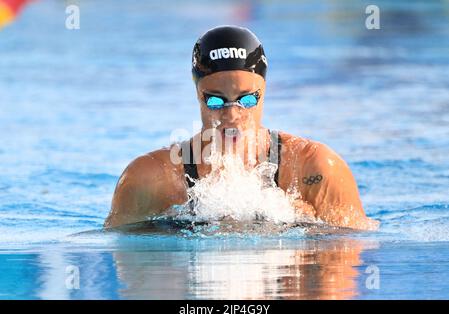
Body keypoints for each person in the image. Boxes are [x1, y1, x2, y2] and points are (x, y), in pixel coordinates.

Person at [104, 25, 379, 231]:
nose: (232, 114)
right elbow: (130, 261)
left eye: (247, 99)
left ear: (264, 89)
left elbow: (347, 258)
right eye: (215, 100)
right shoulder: (148, 179)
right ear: (197, 92)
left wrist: (310, 227)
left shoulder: (316, 168)